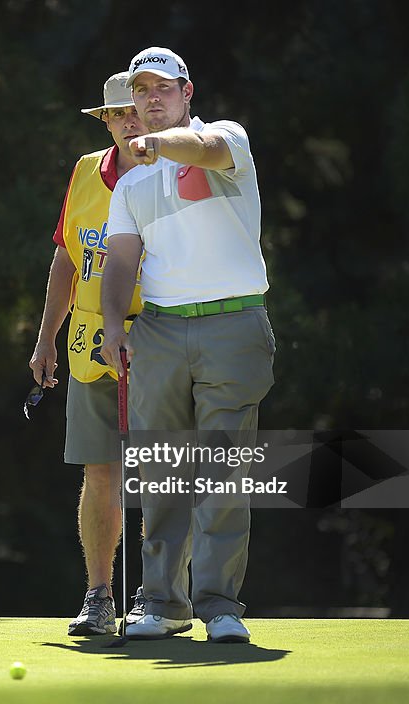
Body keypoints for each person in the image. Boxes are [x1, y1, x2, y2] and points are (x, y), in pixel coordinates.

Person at [101, 47, 276, 643]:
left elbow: (202, 152)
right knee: (163, 474)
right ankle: (161, 604)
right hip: (159, 332)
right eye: (142, 90)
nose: (152, 99)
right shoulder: (129, 183)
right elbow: (122, 259)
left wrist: (162, 145)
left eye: (163, 88)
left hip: (234, 326)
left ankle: (221, 605)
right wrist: (114, 324)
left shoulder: (226, 137)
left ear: (187, 92)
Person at [29, 72, 147, 636]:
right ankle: (99, 596)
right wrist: (45, 337)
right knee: (99, 472)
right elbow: (66, 259)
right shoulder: (84, 171)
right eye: (117, 113)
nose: (129, 120)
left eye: (136, 110)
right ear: (105, 120)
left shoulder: (174, 170)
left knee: (164, 474)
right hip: (87, 344)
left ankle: (161, 598)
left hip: (157, 337)